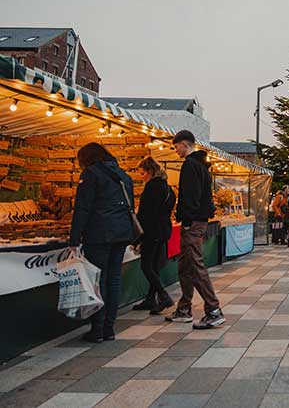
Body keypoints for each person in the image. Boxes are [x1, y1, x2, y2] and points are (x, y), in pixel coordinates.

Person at [69, 143, 134, 343]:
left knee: (98, 280)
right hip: (121, 233)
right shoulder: (123, 176)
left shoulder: (91, 174)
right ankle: (109, 328)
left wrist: (74, 237)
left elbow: (82, 208)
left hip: (99, 234)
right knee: (113, 280)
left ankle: (97, 329)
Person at [166, 130, 225, 329]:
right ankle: (184, 308)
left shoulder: (190, 166)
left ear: (184, 144)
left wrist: (188, 219)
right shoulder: (202, 165)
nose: (176, 151)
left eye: (176, 147)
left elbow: (190, 195)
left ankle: (213, 310)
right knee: (186, 265)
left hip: (193, 221)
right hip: (197, 220)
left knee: (195, 264)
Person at [133, 157, 176, 314]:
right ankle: (151, 299)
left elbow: (144, 214)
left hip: (152, 231)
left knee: (146, 265)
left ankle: (163, 296)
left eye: (142, 173)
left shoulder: (152, 187)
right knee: (155, 266)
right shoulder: (168, 188)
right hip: (164, 230)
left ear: (150, 171)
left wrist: (136, 237)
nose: (141, 176)